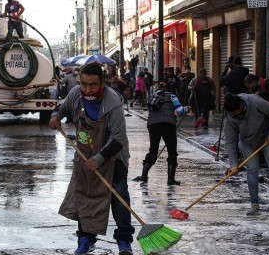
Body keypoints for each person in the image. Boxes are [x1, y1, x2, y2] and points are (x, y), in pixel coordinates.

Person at [49, 62, 135, 255]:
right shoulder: (76, 94)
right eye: (84, 84)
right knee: (85, 196)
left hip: (113, 157)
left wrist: (99, 158)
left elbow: (119, 138)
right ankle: (85, 238)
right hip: (85, 157)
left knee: (119, 196)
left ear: (102, 83)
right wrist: (55, 116)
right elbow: (60, 108)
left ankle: (124, 241)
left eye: (93, 85)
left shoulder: (113, 102)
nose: (88, 89)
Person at [133, 82, 191, 184]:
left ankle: (144, 176)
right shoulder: (172, 96)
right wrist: (187, 108)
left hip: (153, 125)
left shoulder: (152, 97)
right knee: (172, 151)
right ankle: (170, 179)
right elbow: (180, 111)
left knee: (153, 150)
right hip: (168, 124)